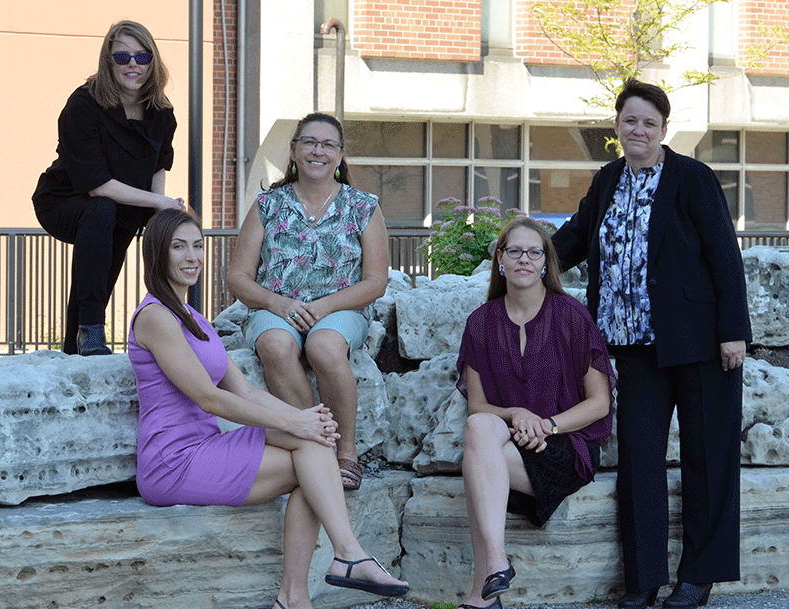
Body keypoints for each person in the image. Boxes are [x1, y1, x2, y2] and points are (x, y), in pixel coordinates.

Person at [128, 209, 409, 609]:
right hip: (172, 461)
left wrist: (308, 418)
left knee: (314, 451)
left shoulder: (192, 317)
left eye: (198, 246)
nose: (191, 257)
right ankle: (337, 563)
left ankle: (302, 591)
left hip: (204, 447)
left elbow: (244, 390)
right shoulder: (156, 316)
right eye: (179, 247)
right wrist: (293, 419)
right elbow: (210, 398)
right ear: (157, 254)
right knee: (312, 457)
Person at [551, 79, 751, 609]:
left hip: (703, 344)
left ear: (665, 129)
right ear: (616, 127)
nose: (638, 130)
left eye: (650, 123)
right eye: (630, 121)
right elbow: (572, 238)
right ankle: (643, 580)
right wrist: (524, 260)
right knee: (641, 462)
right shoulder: (607, 179)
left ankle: (699, 575)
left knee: (708, 458)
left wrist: (734, 331)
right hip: (631, 346)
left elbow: (724, 257)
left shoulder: (692, 178)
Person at [457, 216, 616, 609]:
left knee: (476, 463)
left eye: (534, 252)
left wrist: (546, 424)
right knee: (478, 428)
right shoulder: (480, 323)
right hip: (510, 444)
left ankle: (483, 590)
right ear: (500, 260)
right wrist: (518, 414)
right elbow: (478, 406)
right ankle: (496, 563)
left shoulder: (570, 315)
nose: (524, 259)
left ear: (546, 261)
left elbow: (600, 402)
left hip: (566, 447)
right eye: (514, 251)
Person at [228, 112, 389, 491]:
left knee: (325, 346)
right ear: (295, 150)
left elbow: (376, 281)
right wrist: (279, 304)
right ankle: (316, 443)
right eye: (310, 143)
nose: (319, 151)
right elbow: (237, 277)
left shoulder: (362, 207)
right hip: (276, 308)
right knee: (275, 344)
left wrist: (326, 307)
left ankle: (346, 451)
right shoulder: (269, 204)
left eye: (328, 144)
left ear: (340, 154)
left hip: (341, 309)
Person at [33, 20, 184, 356]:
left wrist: (159, 211)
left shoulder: (160, 112)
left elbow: (157, 165)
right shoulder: (83, 105)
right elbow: (97, 186)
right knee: (101, 211)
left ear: (152, 62)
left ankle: (77, 347)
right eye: (122, 57)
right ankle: (92, 329)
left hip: (121, 204)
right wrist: (159, 201)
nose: (133, 65)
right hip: (63, 200)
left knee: (103, 270)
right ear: (108, 61)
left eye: (142, 57)